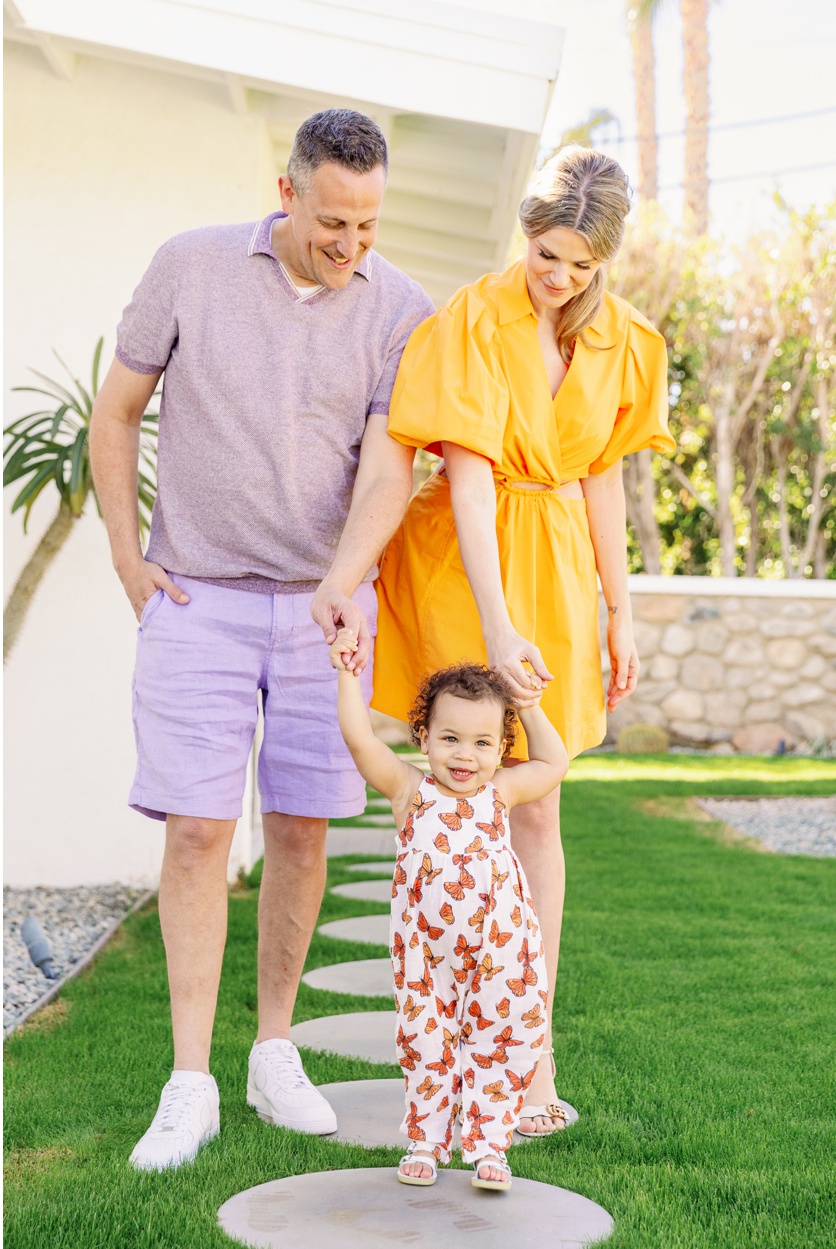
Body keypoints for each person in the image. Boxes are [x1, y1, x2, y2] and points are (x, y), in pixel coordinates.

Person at [89, 108, 437, 1170]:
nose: (350, 246)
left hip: (320, 607)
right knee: (196, 830)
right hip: (194, 595)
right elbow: (114, 413)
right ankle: (187, 1079)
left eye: (368, 226)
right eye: (334, 221)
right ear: (285, 193)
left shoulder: (400, 308)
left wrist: (342, 581)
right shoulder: (189, 267)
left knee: (299, 828)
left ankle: (272, 1048)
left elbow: (388, 466)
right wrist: (123, 554)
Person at [372, 146, 671, 1137]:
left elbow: (600, 482)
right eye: (548, 255)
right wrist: (495, 627)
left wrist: (619, 611)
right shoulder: (469, 318)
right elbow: (459, 471)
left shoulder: (626, 342)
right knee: (456, 798)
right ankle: (441, 1045)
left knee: (536, 813)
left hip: (557, 575)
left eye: (582, 265)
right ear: (524, 232)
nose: (559, 278)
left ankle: (526, 1052)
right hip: (466, 564)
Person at [330, 639, 567, 1191]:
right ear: (423, 738)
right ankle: (427, 1139)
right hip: (426, 953)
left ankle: (489, 1145)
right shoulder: (410, 792)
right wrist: (347, 677)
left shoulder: (501, 792)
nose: (466, 755)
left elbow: (554, 762)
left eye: (484, 742)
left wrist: (525, 704)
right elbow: (360, 739)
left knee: (501, 1037)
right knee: (425, 1037)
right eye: (450, 738)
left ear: (501, 746)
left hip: (497, 947)